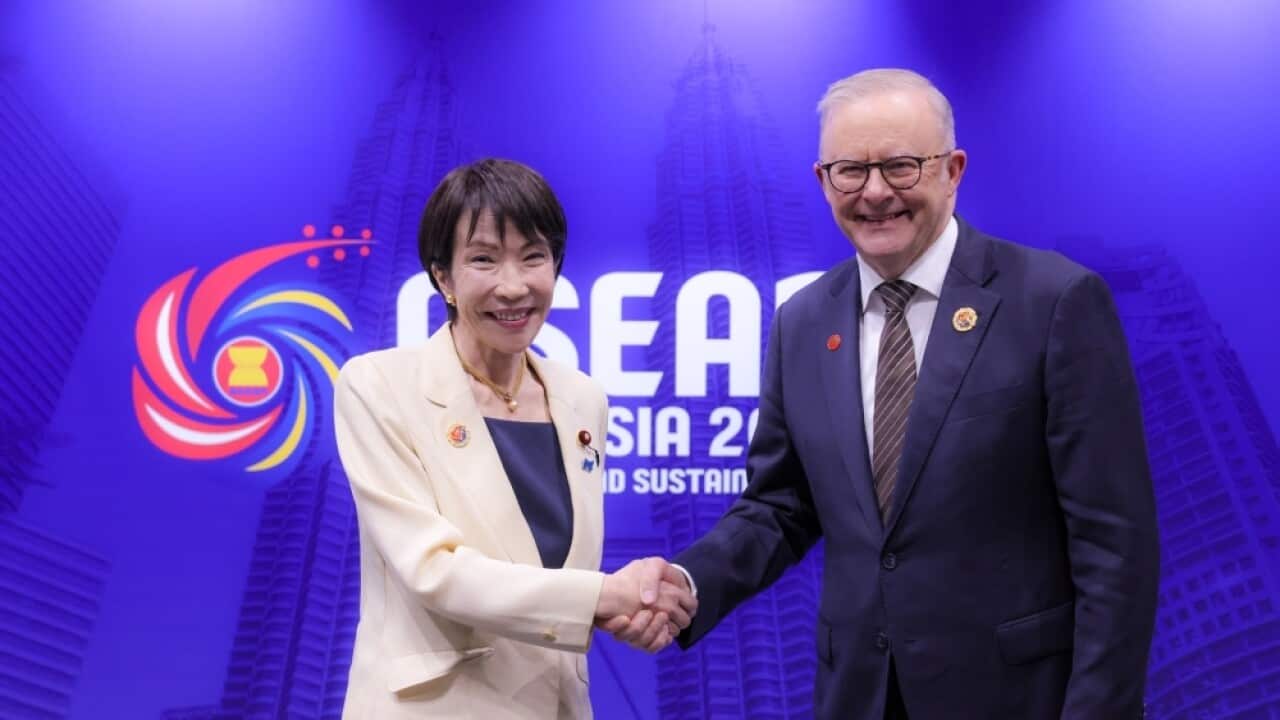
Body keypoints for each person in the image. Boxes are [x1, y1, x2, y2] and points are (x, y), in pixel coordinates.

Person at [617, 69, 1160, 719]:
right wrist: (686, 582)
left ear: (953, 170)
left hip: (1015, 699)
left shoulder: (1054, 302)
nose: (875, 193)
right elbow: (780, 505)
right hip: (858, 697)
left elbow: (1115, 546)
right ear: (822, 181)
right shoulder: (803, 321)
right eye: (850, 170)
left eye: (901, 166)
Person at [334, 158, 695, 719]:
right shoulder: (378, 386)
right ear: (443, 278)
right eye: (483, 259)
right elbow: (434, 570)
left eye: (534, 257)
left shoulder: (582, 399)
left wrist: (636, 609)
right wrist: (605, 597)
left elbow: (558, 575)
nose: (513, 285)